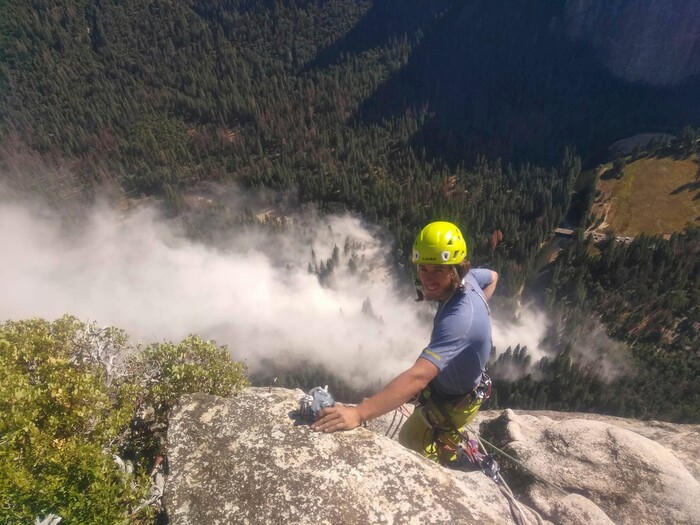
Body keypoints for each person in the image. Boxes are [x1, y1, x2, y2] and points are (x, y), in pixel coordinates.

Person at [312, 221, 498, 464]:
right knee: (439, 437)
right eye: (423, 268)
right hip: (456, 389)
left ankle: (446, 467)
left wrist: (359, 414)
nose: (428, 279)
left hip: (455, 401)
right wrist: (480, 307)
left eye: (437, 270)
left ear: (456, 269)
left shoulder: (460, 320)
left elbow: (419, 376)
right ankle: (448, 447)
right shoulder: (471, 279)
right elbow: (493, 276)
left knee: (411, 440)